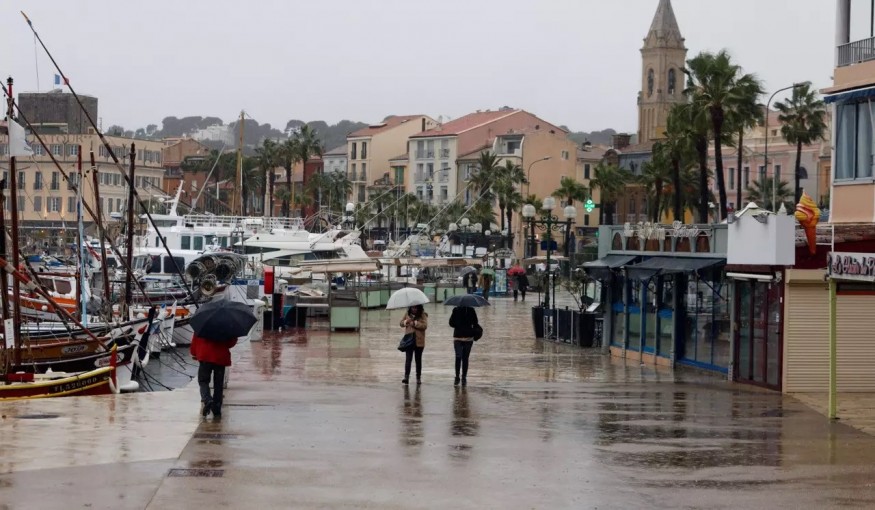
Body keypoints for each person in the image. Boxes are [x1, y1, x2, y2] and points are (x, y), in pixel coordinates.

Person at [190, 332, 238, 419]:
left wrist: (194, 353)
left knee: (203, 381)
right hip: (220, 357)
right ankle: (217, 408)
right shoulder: (226, 327)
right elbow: (230, 343)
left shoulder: (202, 326)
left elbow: (195, 340)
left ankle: (207, 399)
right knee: (218, 384)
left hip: (205, 355)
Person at [449, 305, 479, 387]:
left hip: (468, 338)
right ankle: (458, 377)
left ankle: (463, 377)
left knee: (464, 358)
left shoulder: (471, 310)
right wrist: (459, 322)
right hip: (458, 337)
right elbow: (451, 323)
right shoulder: (456, 310)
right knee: (459, 356)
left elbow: (475, 322)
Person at [399, 304, 428, 385]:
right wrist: (406, 322)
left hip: (419, 341)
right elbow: (401, 323)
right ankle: (406, 377)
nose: (414, 309)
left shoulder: (422, 315)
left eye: (416, 308)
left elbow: (425, 326)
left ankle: (418, 378)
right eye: (413, 307)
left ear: (419, 308)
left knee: (418, 360)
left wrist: (415, 323)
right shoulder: (407, 314)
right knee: (408, 359)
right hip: (409, 340)